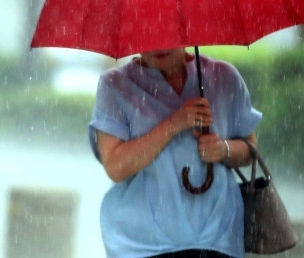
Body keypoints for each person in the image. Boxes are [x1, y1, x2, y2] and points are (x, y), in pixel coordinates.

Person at [89, 47, 262, 258]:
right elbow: (116, 167)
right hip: (142, 244)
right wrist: (175, 123)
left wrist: (223, 149)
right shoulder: (115, 85)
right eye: (148, 36)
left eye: (168, 36)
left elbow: (250, 148)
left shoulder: (223, 76)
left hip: (216, 239)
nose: (158, 46)